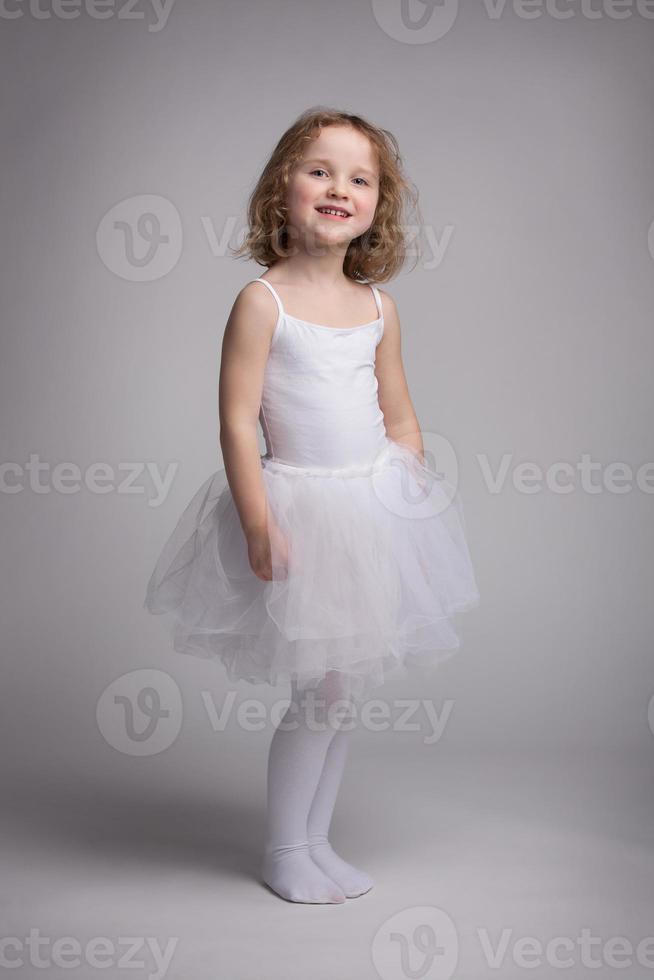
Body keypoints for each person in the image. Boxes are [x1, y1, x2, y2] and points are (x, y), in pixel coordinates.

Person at [144, 106, 480, 904]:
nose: (340, 188)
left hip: (370, 512)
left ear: (376, 207)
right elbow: (235, 419)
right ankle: (285, 848)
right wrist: (259, 520)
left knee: (343, 689)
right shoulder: (263, 302)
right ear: (282, 190)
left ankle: (315, 841)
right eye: (320, 171)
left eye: (359, 179)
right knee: (318, 688)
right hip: (300, 509)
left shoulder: (378, 307)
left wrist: (408, 495)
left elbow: (398, 412)